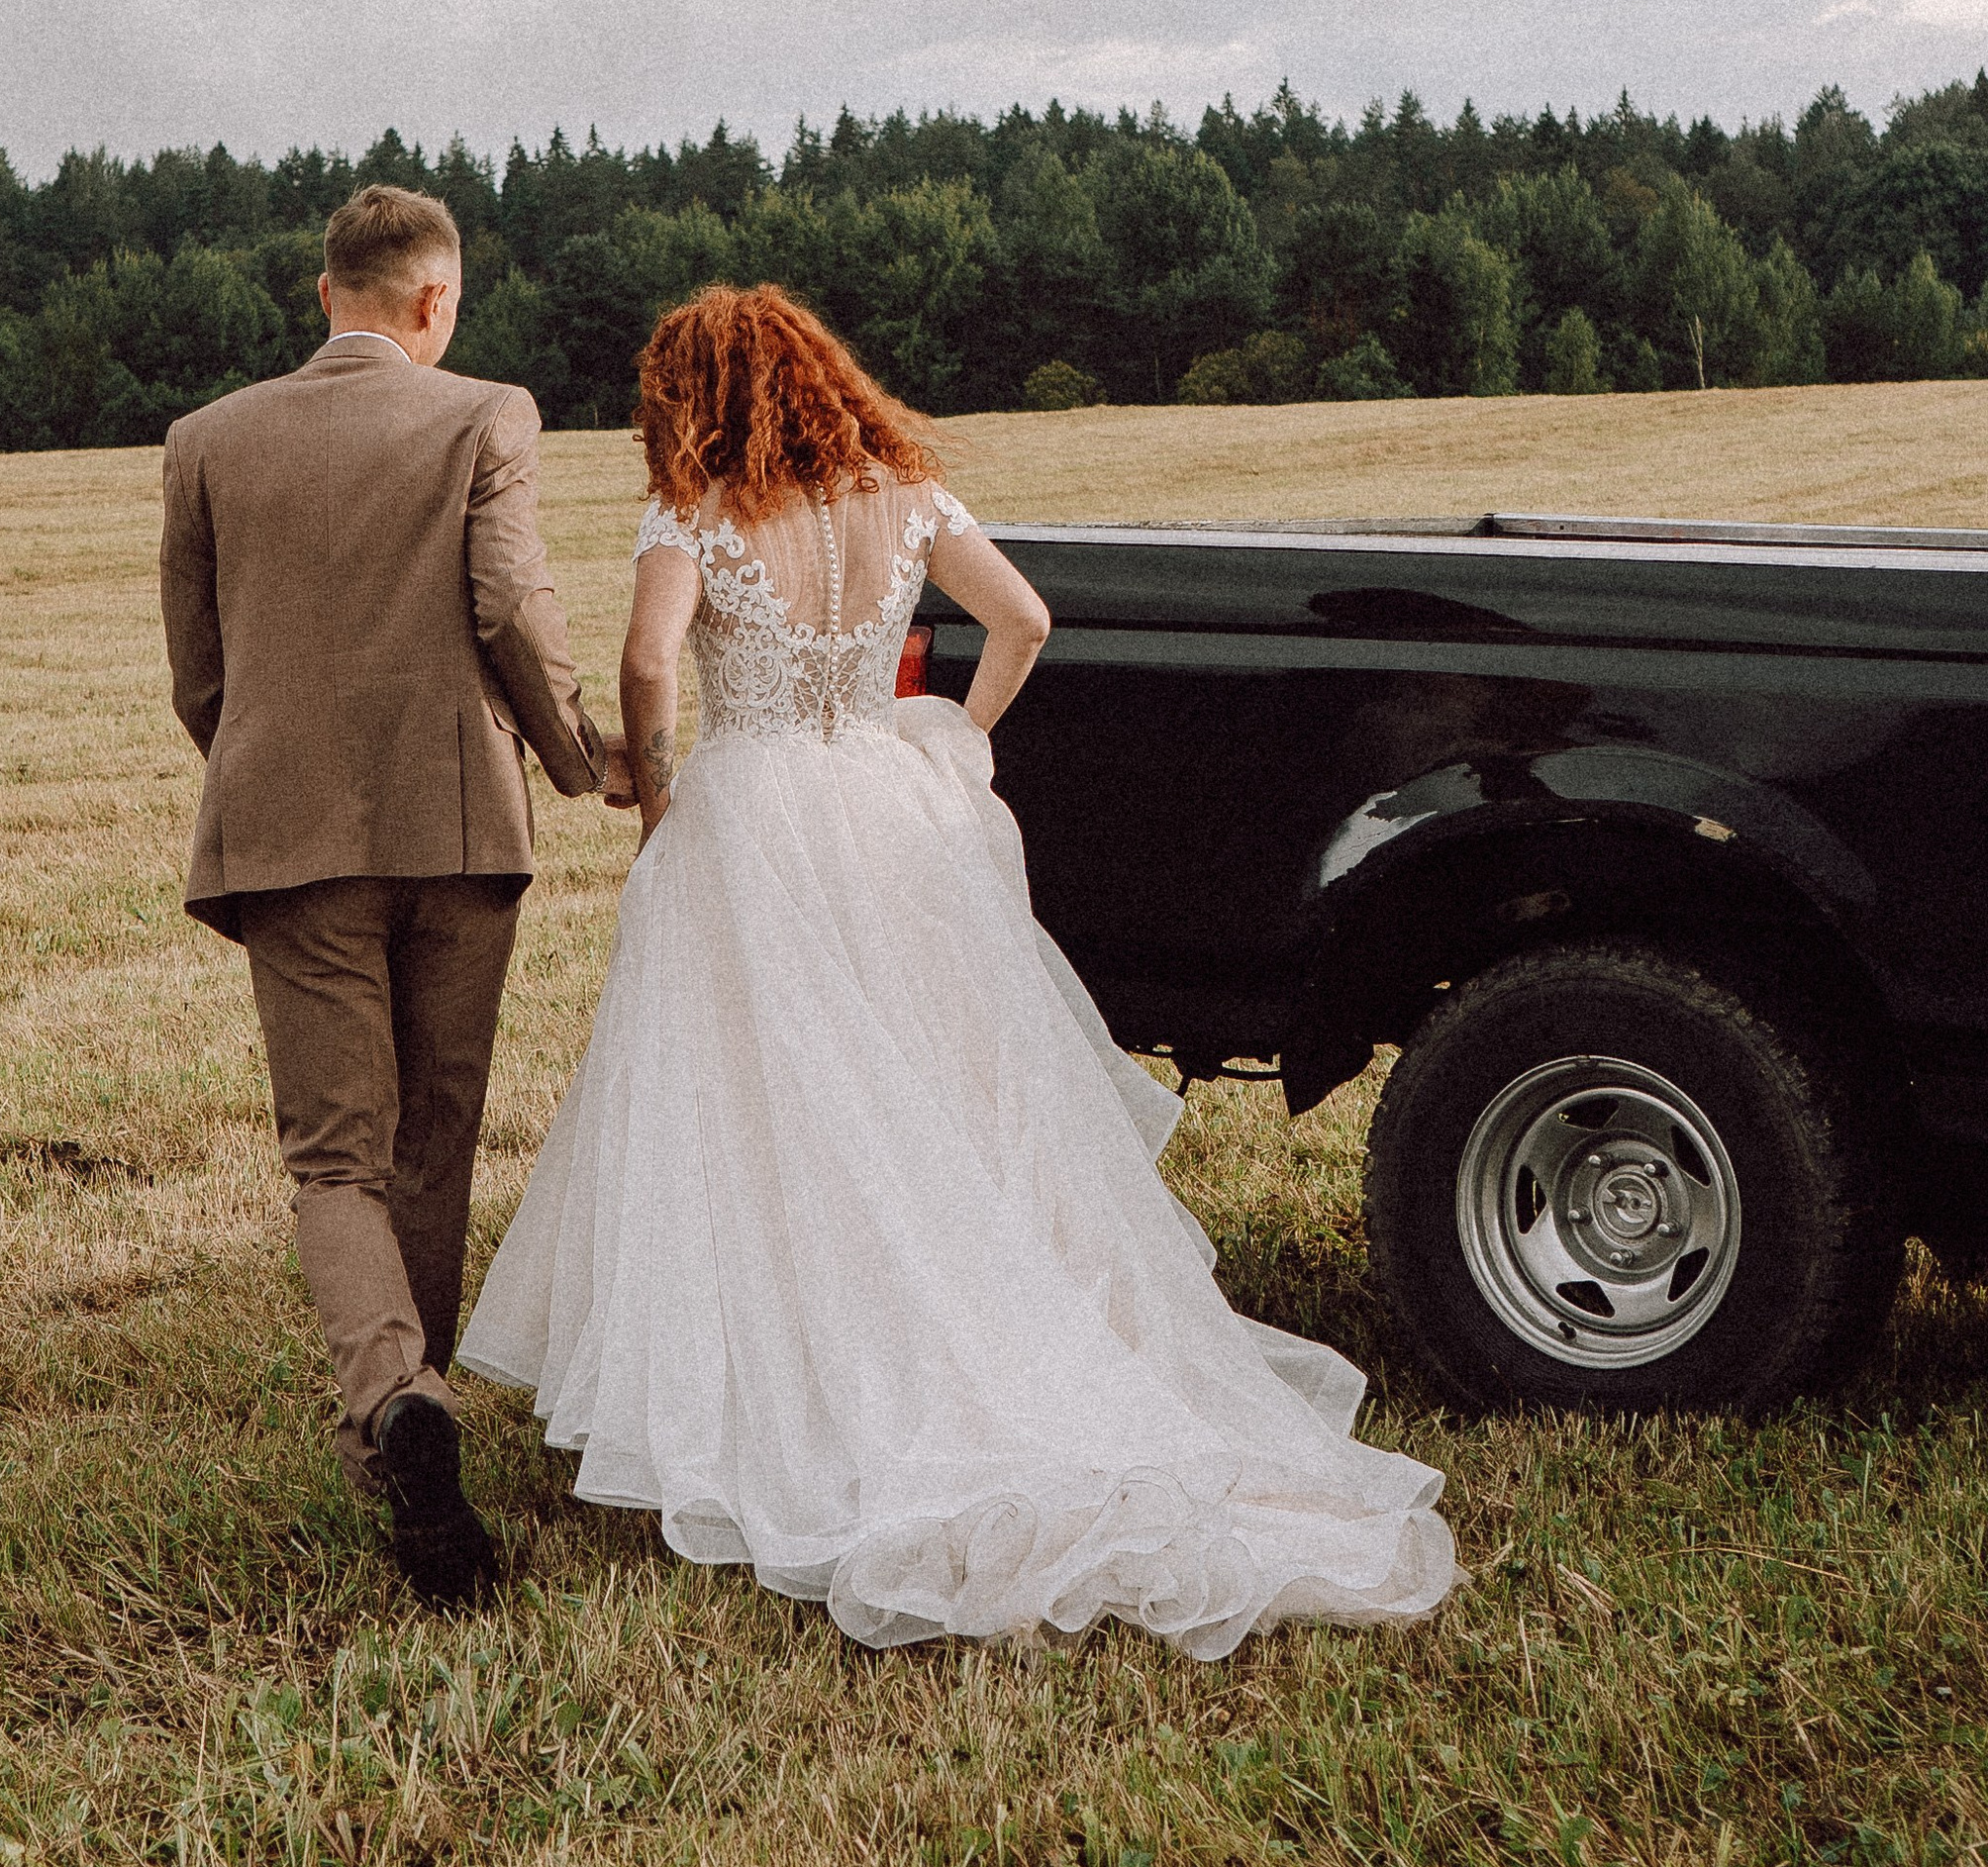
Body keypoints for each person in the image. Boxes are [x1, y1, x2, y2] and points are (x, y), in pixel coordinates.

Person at [459, 283, 1456, 1653]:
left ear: (692, 397)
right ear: (820, 379)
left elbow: (645, 662)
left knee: (761, 1108)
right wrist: (954, 736)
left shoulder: (695, 512)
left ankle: (790, 1388)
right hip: (891, 801)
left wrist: (657, 795)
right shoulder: (903, 494)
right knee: (927, 1088)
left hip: (754, 814)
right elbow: (1027, 620)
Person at [158, 182, 626, 1611]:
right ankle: (413, 1414)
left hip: (289, 832)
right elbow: (510, 609)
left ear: (324, 296)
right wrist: (579, 756)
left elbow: (200, 665)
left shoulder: (208, 441)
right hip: (460, 826)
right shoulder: (486, 415)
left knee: (335, 1158)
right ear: (435, 303)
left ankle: (395, 1403)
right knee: (434, 1136)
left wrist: (272, 771)